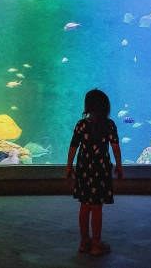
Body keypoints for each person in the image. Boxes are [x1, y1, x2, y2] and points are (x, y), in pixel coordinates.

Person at [66, 89, 123, 257]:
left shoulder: (81, 124)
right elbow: (115, 146)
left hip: (83, 168)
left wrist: (69, 166)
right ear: (106, 107)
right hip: (100, 169)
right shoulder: (109, 125)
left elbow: (74, 146)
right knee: (97, 207)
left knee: (84, 205)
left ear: (87, 106)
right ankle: (97, 244)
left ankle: (84, 242)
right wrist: (119, 165)